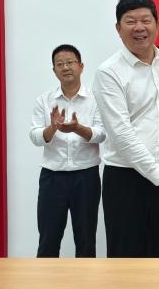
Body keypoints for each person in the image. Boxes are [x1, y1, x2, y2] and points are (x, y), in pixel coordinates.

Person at [92, 0, 159, 257]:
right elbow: (121, 135)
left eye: (145, 20)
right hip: (127, 179)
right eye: (130, 21)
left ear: (157, 25)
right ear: (118, 29)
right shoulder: (109, 72)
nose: (139, 28)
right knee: (127, 260)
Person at [28, 44, 107, 258]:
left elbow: (102, 134)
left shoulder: (96, 99)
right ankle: (47, 280)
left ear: (81, 66)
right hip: (52, 177)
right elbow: (35, 136)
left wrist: (77, 128)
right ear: (54, 70)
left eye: (70, 62)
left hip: (86, 177)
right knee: (48, 239)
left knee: (86, 240)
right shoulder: (44, 100)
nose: (65, 67)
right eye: (60, 64)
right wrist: (53, 127)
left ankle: (85, 281)